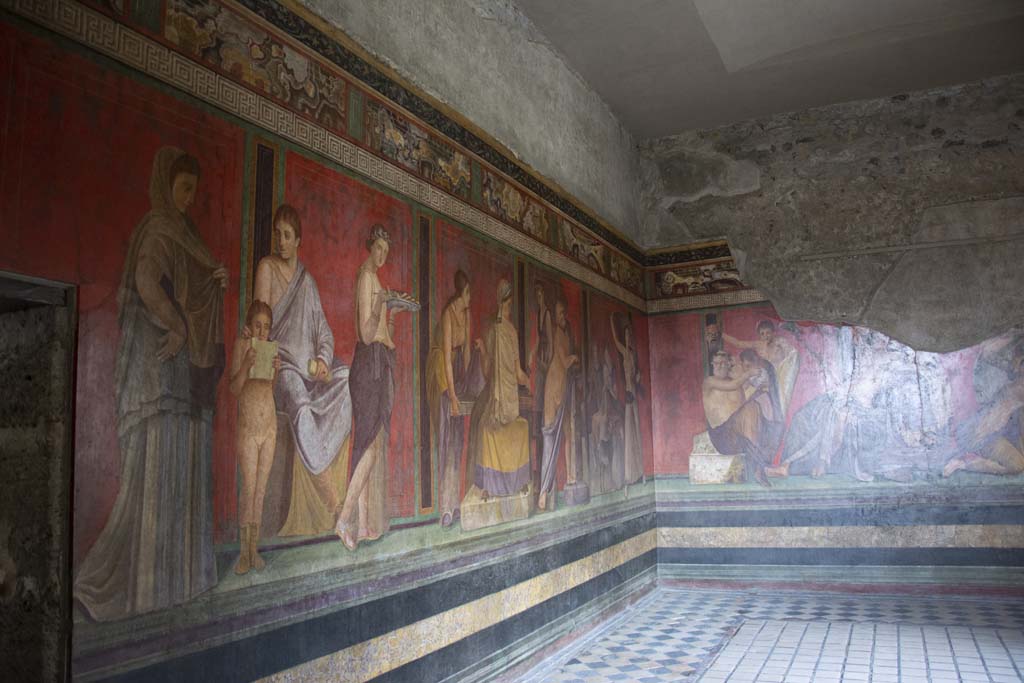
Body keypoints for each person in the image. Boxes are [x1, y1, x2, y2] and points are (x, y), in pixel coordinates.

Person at [74, 147, 228, 620]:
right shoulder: (159, 228)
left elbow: (190, 288)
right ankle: (145, 586)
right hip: (161, 368)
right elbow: (145, 280)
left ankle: (180, 580)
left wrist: (213, 278)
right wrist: (177, 327)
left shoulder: (186, 232)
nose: (188, 198)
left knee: (181, 463)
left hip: (185, 373)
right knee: (160, 467)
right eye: (183, 188)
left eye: (192, 191)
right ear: (166, 185)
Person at [253, 204, 352, 536]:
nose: (280, 241)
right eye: (277, 234)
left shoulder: (306, 281)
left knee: (347, 379)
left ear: (298, 240)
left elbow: (324, 331)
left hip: (312, 372)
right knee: (300, 404)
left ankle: (325, 464)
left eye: (287, 235)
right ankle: (336, 505)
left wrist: (324, 360)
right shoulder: (266, 269)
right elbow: (259, 324)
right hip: (284, 371)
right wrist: (265, 373)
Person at [336, 225, 410, 549]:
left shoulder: (375, 280)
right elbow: (366, 335)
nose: (381, 255)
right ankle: (344, 518)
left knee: (371, 445)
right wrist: (382, 303)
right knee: (369, 446)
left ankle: (363, 525)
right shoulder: (367, 278)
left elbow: (385, 336)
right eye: (378, 248)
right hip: (368, 366)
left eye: (386, 250)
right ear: (370, 246)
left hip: (378, 362)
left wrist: (393, 309)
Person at [465, 279, 532, 500]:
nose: (509, 309)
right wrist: (484, 350)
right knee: (486, 429)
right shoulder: (501, 331)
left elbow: (517, 372)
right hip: (501, 399)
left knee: (496, 429)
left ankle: (514, 482)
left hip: (508, 400)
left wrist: (529, 382)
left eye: (510, 305)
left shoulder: (508, 331)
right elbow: (493, 372)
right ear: (503, 303)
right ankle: (497, 485)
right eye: (508, 305)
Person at [426, 270, 482, 526]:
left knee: (458, 443)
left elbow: (466, 353)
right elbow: (448, 358)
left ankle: (455, 503)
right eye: (469, 293)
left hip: (458, 376)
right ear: (462, 293)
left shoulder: (467, 314)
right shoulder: (449, 314)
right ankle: (445, 508)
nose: (471, 298)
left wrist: (468, 387)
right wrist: (452, 395)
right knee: (447, 443)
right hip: (442, 376)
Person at [228, 301, 281, 574]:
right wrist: (247, 364)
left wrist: (277, 370)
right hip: (248, 427)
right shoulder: (242, 346)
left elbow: (269, 389)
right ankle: (243, 554)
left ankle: (254, 550)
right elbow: (235, 389)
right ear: (250, 324)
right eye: (258, 325)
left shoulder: (270, 350)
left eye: (267, 326)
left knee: (260, 490)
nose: (262, 331)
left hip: (269, 426)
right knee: (248, 489)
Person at [944, 335, 1024, 477]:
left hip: (994, 433)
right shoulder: (1018, 387)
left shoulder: (1014, 380)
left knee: (1019, 463)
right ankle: (963, 463)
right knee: (1017, 465)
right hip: (979, 435)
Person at [701, 351, 773, 486]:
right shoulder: (709, 382)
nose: (720, 366)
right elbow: (732, 385)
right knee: (750, 409)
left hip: (739, 438)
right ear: (712, 364)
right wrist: (748, 373)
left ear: (729, 364)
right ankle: (759, 466)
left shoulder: (737, 381)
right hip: (722, 436)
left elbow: (748, 389)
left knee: (754, 406)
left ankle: (759, 465)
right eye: (717, 363)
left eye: (724, 363)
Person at [538, 299, 579, 510]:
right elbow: (563, 361)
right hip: (553, 390)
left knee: (568, 434)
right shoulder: (556, 332)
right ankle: (544, 491)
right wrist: (575, 357)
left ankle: (571, 476)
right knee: (549, 440)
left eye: (564, 313)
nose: (564, 317)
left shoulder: (564, 334)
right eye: (561, 313)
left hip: (562, 391)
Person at [724, 320, 800, 415]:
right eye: (762, 334)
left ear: (773, 332)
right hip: (763, 376)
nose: (765, 336)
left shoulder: (779, 341)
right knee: (745, 390)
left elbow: (792, 355)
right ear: (759, 335)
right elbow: (738, 343)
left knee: (779, 403)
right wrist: (721, 335)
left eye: (768, 332)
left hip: (780, 374)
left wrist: (785, 368)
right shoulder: (758, 344)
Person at [611, 315, 644, 487]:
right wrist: (612, 322)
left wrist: (638, 377)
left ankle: (639, 472)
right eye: (626, 336)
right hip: (629, 395)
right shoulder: (624, 352)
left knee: (636, 433)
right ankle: (630, 474)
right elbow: (615, 341)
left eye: (629, 336)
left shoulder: (632, 355)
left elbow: (636, 377)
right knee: (630, 432)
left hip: (634, 396)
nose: (627, 338)